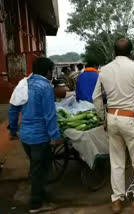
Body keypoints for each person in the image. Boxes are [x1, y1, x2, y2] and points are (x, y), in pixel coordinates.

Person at [92, 38, 134, 214]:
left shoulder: (104, 70)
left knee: (117, 161)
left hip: (112, 119)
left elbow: (96, 97)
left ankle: (117, 200)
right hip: (131, 120)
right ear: (131, 52)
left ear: (114, 52)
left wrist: (103, 117)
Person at [8, 57, 62, 213]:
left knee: (35, 167)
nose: (52, 74)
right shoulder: (45, 87)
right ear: (47, 71)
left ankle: (40, 194)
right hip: (40, 137)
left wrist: (12, 130)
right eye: (52, 71)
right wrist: (55, 135)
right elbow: (49, 115)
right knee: (40, 170)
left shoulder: (23, 83)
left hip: (25, 135)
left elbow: (13, 109)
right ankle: (36, 204)